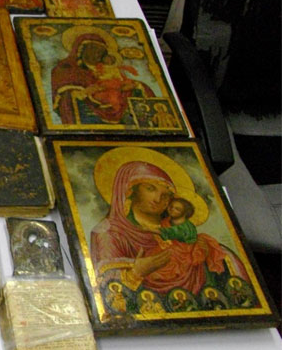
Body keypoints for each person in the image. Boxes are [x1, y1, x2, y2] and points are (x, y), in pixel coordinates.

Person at [90, 155, 253, 301]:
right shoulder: (108, 233)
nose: (158, 199)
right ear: (129, 190)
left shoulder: (178, 228)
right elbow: (104, 286)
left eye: (166, 194)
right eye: (150, 189)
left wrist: (206, 250)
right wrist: (136, 272)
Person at [50, 28, 154, 125]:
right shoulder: (67, 68)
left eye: (100, 51)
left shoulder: (107, 67)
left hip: (112, 93)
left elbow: (119, 80)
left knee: (139, 87)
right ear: (81, 50)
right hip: (88, 104)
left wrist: (132, 85)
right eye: (92, 49)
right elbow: (65, 90)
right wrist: (87, 90)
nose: (96, 53)